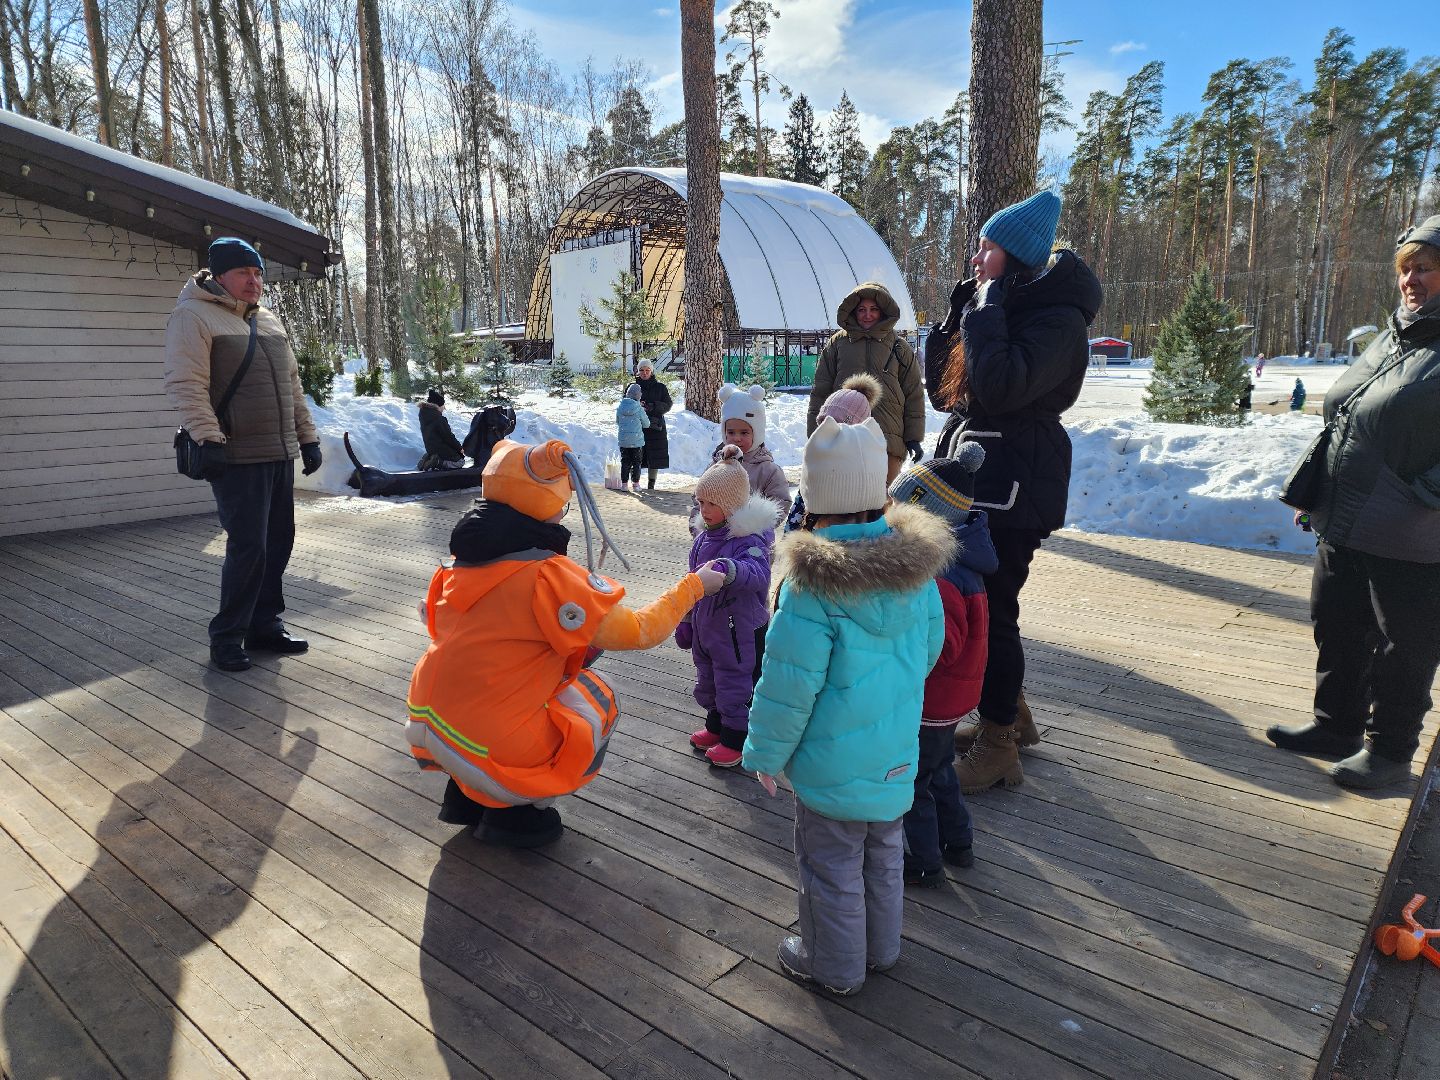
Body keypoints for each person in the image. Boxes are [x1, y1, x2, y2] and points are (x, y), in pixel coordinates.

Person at [407, 438, 725, 847]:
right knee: (594, 698)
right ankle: (516, 811)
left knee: (486, 688)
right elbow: (640, 631)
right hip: (491, 735)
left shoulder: (457, 565)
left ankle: (466, 795)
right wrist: (695, 585)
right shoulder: (549, 575)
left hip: (426, 717)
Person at [744, 417, 951, 996]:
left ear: (817, 501)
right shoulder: (918, 575)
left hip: (829, 768)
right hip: (893, 754)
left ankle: (832, 966)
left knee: (829, 867)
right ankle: (880, 951)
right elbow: (929, 650)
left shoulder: (811, 590)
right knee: (884, 856)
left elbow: (788, 687)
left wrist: (763, 753)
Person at [923, 189, 1102, 793]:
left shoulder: (1057, 320)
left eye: (986, 248)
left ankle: (999, 742)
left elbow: (1000, 390)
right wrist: (958, 317)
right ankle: (1011, 714)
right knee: (982, 607)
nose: (975, 258)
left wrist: (987, 311)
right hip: (980, 478)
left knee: (993, 612)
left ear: (1014, 256)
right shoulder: (1004, 305)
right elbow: (945, 394)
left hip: (1017, 486)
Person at [1266, 214, 1440, 789]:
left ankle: (1390, 753)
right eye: (1407, 268)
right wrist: (1319, 487)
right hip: (1346, 514)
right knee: (1337, 621)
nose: (1413, 279)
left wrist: (1421, 492)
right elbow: (1348, 413)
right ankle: (1335, 725)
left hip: (1411, 529)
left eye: (1428, 268)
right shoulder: (1396, 336)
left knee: (1404, 645)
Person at [164, 236, 322, 673]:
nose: (254, 281)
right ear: (219, 276)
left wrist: (306, 437)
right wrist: (208, 438)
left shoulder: (268, 321)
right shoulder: (192, 316)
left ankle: (264, 624)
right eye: (243, 273)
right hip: (233, 453)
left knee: (278, 543)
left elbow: (292, 387)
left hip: (276, 451)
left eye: (258, 273)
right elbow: (186, 384)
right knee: (248, 547)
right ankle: (227, 636)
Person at [888, 445, 995, 885]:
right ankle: (960, 842)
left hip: (935, 697)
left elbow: (941, 648)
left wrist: (898, 645)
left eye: (899, 505)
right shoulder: (966, 558)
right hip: (956, 694)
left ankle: (926, 860)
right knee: (940, 770)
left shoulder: (941, 574)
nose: (890, 513)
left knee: (914, 782)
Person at [677, 446, 777, 766]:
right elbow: (695, 581)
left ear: (732, 505)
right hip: (709, 626)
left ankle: (737, 739)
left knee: (734, 682)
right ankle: (716, 727)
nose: (704, 510)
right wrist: (686, 619)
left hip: (739, 630)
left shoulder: (749, 540)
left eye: (712, 504)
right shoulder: (704, 538)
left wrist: (730, 569)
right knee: (709, 679)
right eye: (701, 502)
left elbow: (760, 574)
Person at [808, 282, 925, 484]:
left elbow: (914, 394)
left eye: (874, 309)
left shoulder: (899, 347)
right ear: (853, 310)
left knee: (883, 502)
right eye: (862, 309)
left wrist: (913, 437)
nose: (867, 315)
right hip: (843, 437)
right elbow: (821, 391)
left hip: (888, 438)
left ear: (883, 312)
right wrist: (814, 434)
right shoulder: (838, 344)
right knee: (845, 499)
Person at [786, 374, 882, 531]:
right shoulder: (816, 465)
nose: (828, 429)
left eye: (839, 425)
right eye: (824, 423)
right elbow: (795, 519)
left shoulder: (866, 478)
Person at [708, 383, 789, 516]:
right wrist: (699, 528)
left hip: (753, 534)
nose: (737, 438)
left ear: (757, 433)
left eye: (744, 433)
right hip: (715, 534)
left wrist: (756, 526)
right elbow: (699, 497)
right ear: (724, 433)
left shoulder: (768, 470)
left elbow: (780, 503)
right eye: (731, 432)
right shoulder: (716, 465)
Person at [635, 359, 671, 489]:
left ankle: (651, 484)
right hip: (637, 427)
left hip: (656, 427)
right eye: (642, 370)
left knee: (654, 457)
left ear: (651, 371)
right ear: (638, 372)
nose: (644, 373)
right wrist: (637, 406)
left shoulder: (660, 387)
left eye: (647, 370)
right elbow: (625, 404)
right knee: (636, 455)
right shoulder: (633, 387)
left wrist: (652, 406)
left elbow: (668, 405)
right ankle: (636, 483)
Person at [417, 387, 466, 470]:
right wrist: (459, 448)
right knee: (460, 462)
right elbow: (448, 437)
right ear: (438, 405)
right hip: (440, 449)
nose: (443, 408)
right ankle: (438, 462)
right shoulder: (438, 418)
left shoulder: (425, 416)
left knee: (440, 453)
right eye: (443, 406)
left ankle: (429, 458)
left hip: (431, 448)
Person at [615, 383, 649, 492]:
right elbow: (646, 424)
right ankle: (635, 485)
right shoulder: (639, 408)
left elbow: (617, 421)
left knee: (625, 462)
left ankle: (624, 485)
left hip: (624, 441)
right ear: (638, 395)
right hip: (636, 441)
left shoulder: (620, 407)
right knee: (636, 463)